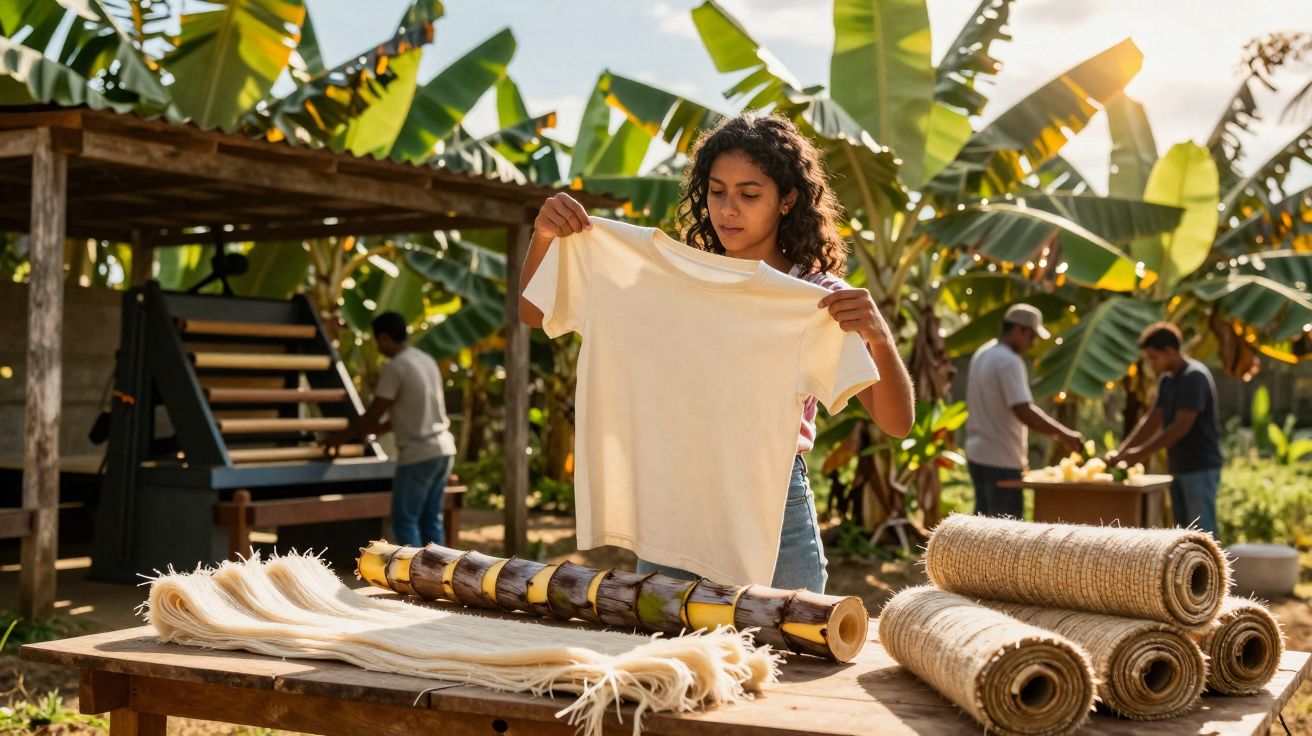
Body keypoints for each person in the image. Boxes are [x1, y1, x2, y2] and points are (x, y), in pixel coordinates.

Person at [518, 112, 915, 593]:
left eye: (749, 195)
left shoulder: (813, 296)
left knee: (793, 658)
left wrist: (878, 336)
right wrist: (543, 236)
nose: (728, 209)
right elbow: (534, 314)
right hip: (675, 504)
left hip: (772, 507)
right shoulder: (671, 282)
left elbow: (895, 423)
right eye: (717, 190)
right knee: (672, 657)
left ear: (787, 199)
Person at [325, 312, 458, 547]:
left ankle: (414, 577)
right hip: (444, 449)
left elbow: (374, 412)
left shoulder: (396, 367)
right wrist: (376, 430)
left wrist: (341, 438)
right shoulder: (425, 360)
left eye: (377, 341)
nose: (378, 347)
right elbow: (411, 412)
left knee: (404, 520)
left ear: (385, 338)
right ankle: (438, 576)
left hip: (419, 454)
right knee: (431, 519)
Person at [965, 304, 1084, 518]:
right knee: (1006, 533)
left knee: (981, 528)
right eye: (1031, 336)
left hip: (977, 453)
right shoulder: (1009, 362)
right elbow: (1023, 410)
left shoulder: (983, 353)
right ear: (1018, 329)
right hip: (1001, 458)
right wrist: (1064, 434)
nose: (1033, 343)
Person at [1108, 322, 1222, 535]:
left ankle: (1214, 570)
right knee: (1185, 533)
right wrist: (1122, 452)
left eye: (1153, 358)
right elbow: (1152, 420)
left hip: (1200, 467)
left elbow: (1181, 427)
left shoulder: (1194, 376)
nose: (1151, 364)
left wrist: (1140, 453)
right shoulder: (1167, 380)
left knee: (1203, 532)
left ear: (1169, 351)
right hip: (1178, 466)